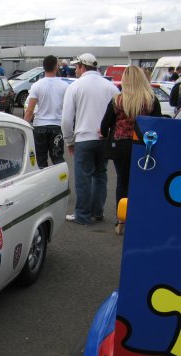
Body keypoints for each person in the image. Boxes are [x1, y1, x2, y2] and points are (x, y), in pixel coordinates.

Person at [100, 66, 161, 235]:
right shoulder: (151, 101)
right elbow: (157, 126)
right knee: (141, 182)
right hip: (143, 146)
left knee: (122, 182)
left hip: (120, 146)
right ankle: (139, 218)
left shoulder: (117, 100)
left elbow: (105, 125)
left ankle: (121, 220)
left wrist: (105, 134)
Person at [61, 53, 119, 226]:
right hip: (105, 138)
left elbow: (66, 119)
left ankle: (82, 215)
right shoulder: (111, 88)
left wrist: (69, 141)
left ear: (82, 67)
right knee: (100, 174)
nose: (75, 70)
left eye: (76, 67)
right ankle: (97, 211)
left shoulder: (75, 86)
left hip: (84, 138)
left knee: (83, 178)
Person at [23, 55, 69, 168]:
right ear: (56, 67)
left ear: (44, 67)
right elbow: (68, 109)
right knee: (57, 158)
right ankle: (62, 183)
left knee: (40, 159)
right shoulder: (65, 86)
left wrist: (24, 125)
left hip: (40, 126)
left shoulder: (36, 85)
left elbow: (30, 110)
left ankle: (44, 183)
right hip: (57, 126)